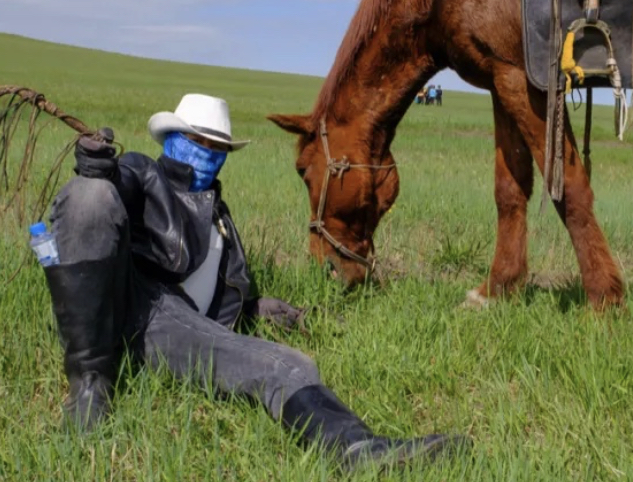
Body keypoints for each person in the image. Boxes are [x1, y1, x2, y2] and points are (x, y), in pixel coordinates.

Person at [40, 93, 468, 472]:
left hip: (179, 325)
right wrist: (102, 172)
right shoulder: (141, 172)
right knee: (90, 195)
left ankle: (351, 447)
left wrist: (259, 308)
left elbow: (216, 293)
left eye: (218, 147)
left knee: (289, 363)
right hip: (143, 306)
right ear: (173, 139)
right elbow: (114, 192)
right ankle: (90, 385)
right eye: (198, 142)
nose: (207, 153)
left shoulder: (219, 219)